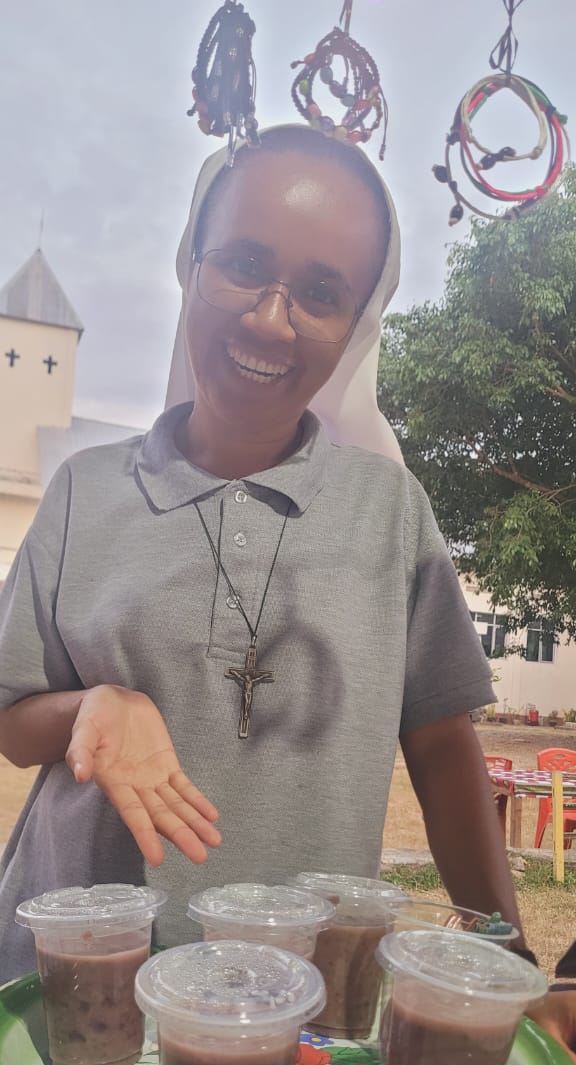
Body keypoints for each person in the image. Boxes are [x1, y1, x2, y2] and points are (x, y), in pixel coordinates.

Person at [0, 123, 525, 986]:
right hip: (79, 986)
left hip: (299, 993)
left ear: (355, 324)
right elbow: (13, 721)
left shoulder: (391, 512)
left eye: (321, 292)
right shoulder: (83, 492)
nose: (271, 319)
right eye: (243, 263)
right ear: (191, 264)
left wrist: (508, 953)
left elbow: (441, 745)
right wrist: (90, 706)